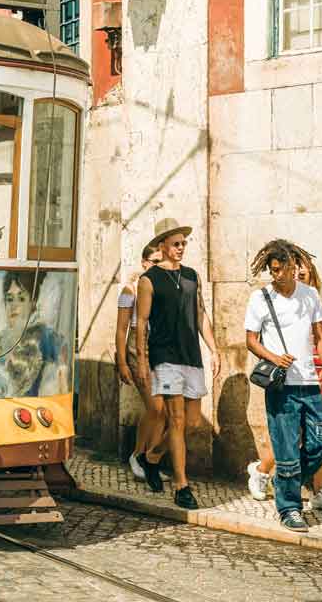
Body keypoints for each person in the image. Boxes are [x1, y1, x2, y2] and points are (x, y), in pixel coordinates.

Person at [244, 239, 322, 533]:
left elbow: (320, 336)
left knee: (320, 444)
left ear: (295, 267)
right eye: (273, 270)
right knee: (286, 451)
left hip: (310, 382)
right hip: (281, 386)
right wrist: (274, 357)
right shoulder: (261, 298)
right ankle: (290, 508)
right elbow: (251, 340)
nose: (278, 276)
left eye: (283, 270)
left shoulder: (310, 295)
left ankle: (284, 481)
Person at [135, 218, 220, 510]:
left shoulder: (192, 276)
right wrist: (142, 360)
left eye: (184, 243)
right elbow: (141, 323)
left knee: (192, 422)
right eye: (176, 243)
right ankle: (182, 485)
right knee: (177, 419)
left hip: (191, 355)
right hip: (164, 355)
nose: (181, 248)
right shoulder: (149, 280)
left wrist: (214, 349)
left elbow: (200, 315)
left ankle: (151, 457)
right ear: (163, 246)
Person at [116, 243, 169, 481]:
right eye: (155, 262)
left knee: (165, 411)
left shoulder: (163, 287)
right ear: (145, 263)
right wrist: (123, 363)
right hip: (137, 351)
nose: (159, 266)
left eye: (161, 261)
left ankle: (150, 460)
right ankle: (137, 455)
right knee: (155, 407)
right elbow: (120, 330)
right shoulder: (130, 291)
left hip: (160, 349)